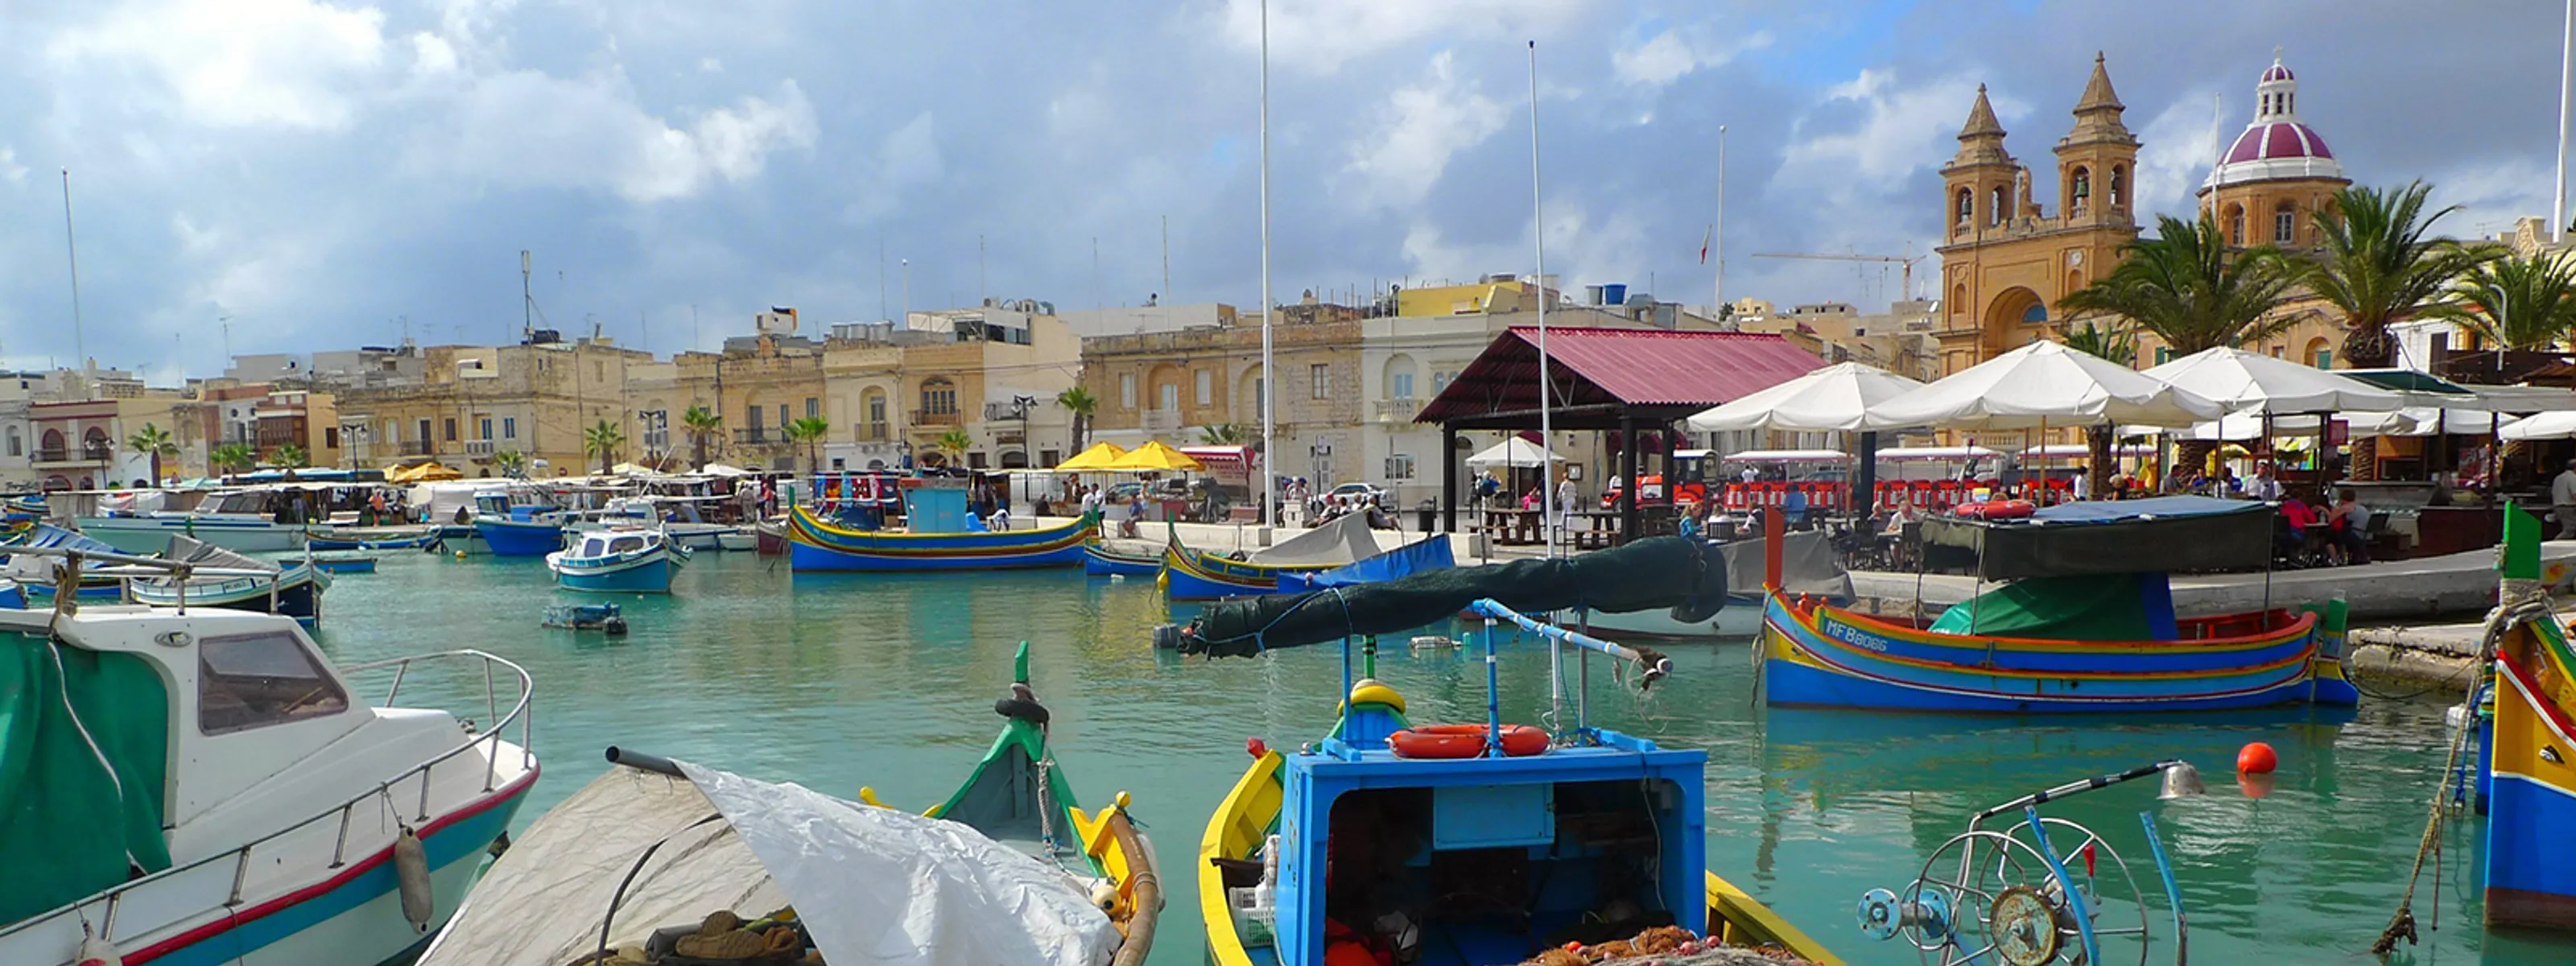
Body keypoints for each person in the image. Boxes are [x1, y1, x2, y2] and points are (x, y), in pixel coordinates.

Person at [2327, 488, 2373, 565]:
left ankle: (2334, 560)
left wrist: (2331, 509)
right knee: (2339, 535)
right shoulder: (2361, 507)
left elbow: (2330, 520)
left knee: (2330, 538)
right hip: (2366, 534)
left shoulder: (2346, 507)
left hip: (2356, 535)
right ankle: (2342, 558)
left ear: (2342, 499)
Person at [2553, 459, 2576, 539]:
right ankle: (2555, 543)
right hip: (2568, 507)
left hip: (2558, 506)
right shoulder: (2572, 478)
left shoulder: (2558, 478)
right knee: (2570, 529)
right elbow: (2575, 494)